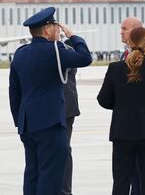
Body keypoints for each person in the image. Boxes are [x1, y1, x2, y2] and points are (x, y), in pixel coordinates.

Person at [9, 7, 92, 195]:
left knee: (32, 173)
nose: (58, 30)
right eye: (55, 26)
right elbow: (85, 58)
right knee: (50, 175)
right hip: (50, 123)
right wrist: (74, 36)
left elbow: (14, 92)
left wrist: (19, 121)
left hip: (27, 124)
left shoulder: (20, 53)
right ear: (47, 30)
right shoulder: (54, 50)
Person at [97, 27, 145, 195]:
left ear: (129, 44)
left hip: (122, 131)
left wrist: (120, 107)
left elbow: (103, 99)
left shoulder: (115, 68)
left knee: (121, 180)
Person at [120, 16, 145, 195]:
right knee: (132, 175)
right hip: (128, 126)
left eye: (125, 28)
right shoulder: (125, 54)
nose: (121, 31)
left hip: (140, 127)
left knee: (140, 175)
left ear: (136, 31)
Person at [61, 40, 81, 195]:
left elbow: (84, 57)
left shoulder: (66, 51)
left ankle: (65, 191)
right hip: (64, 106)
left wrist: (73, 38)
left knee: (64, 150)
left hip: (66, 108)